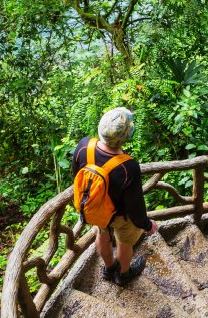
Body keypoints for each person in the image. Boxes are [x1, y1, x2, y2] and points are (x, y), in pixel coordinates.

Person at [71, 107, 158, 286]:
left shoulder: (84, 146)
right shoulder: (128, 167)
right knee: (125, 242)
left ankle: (110, 269)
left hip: (96, 209)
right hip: (119, 216)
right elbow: (135, 207)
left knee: (102, 232)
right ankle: (123, 274)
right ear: (127, 135)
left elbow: (76, 177)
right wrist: (147, 225)